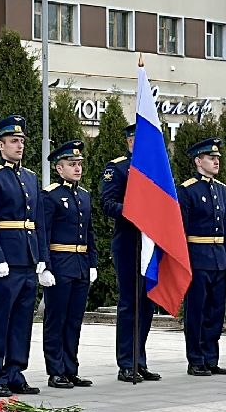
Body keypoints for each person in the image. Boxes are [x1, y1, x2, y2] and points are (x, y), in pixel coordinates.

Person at [0, 115, 44, 398]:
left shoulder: (30, 177)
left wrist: (41, 258)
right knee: (1, 318)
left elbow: (37, 219)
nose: (19, 146)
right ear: (0, 145)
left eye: (22, 141)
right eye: (14, 141)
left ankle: (16, 371)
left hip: (27, 259)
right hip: (6, 260)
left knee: (22, 320)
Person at [100, 125, 160, 383]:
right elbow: (107, 203)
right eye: (139, 139)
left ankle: (140, 359)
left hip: (150, 242)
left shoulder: (156, 169)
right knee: (130, 304)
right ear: (130, 142)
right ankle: (126, 362)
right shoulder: (119, 168)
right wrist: (134, 210)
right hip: (128, 241)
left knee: (147, 304)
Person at [39, 139, 95, 389]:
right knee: (56, 319)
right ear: (59, 168)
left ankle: (71, 368)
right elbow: (44, 233)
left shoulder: (84, 196)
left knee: (74, 320)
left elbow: (90, 232)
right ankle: (56, 370)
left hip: (80, 264)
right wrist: (45, 266)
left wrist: (92, 263)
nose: (77, 168)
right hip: (60, 264)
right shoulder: (50, 196)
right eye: (71, 164)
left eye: (79, 164)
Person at [179, 137, 226, 375]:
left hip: (218, 257)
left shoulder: (221, 190)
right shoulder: (188, 189)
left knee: (215, 311)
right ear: (198, 161)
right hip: (197, 257)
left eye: (217, 158)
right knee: (197, 310)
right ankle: (196, 359)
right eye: (211, 158)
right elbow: (181, 229)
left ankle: (211, 357)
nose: (216, 161)